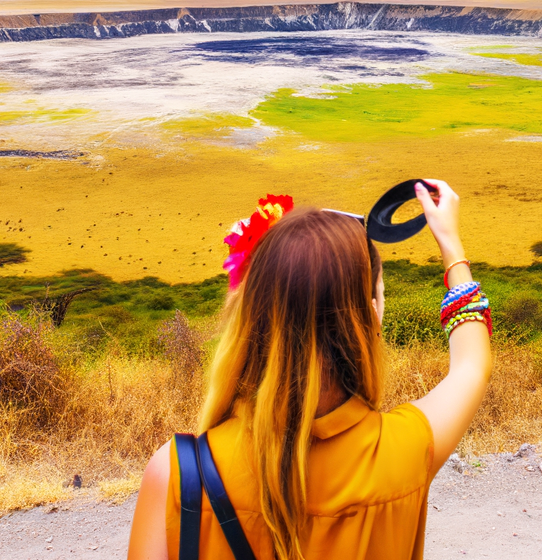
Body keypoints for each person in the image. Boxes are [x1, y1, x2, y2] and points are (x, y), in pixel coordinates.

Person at [127, 179, 492, 560]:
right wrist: (452, 248)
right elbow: (471, 365)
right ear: (371, 317)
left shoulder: (175, 474)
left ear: (253, 317)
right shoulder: (407, 450)